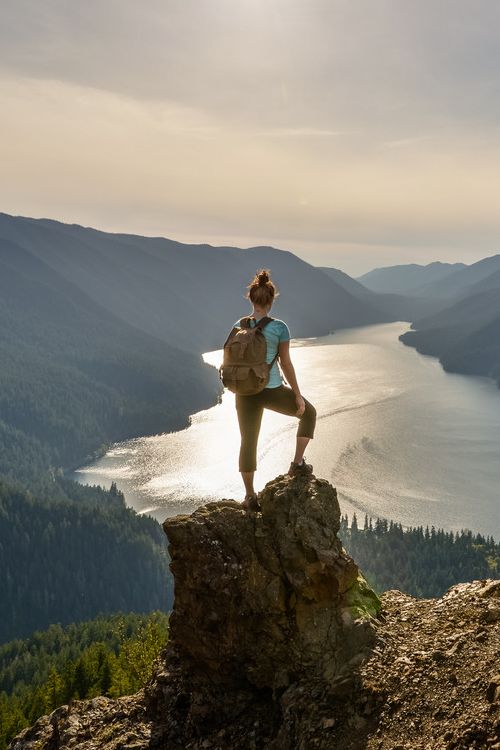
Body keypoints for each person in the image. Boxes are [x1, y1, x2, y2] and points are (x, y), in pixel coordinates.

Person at [233, 269, 317, 511]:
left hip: (245, 393)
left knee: (248, 442)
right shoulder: (279, 327)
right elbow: (286, 363)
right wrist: (298, 395)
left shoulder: (240, 325)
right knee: (308, 413)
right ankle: (297, 464)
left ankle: (250, 496)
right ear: (271, 300)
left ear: (251, 299)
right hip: (270, 389)